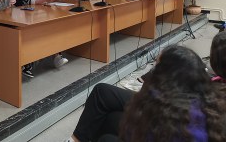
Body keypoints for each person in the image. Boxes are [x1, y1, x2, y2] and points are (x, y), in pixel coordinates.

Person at [67, 42, 226, 142]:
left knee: (106, 132)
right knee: (103, 96)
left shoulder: (162, 115)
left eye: (156, 68)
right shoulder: (204, 103)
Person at [22, 0, 73, 78]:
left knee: (55, 29)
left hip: (45, 13)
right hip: (32, 15)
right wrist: (45, 0)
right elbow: (28, 0)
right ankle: (27, 65)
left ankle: (57, 57)